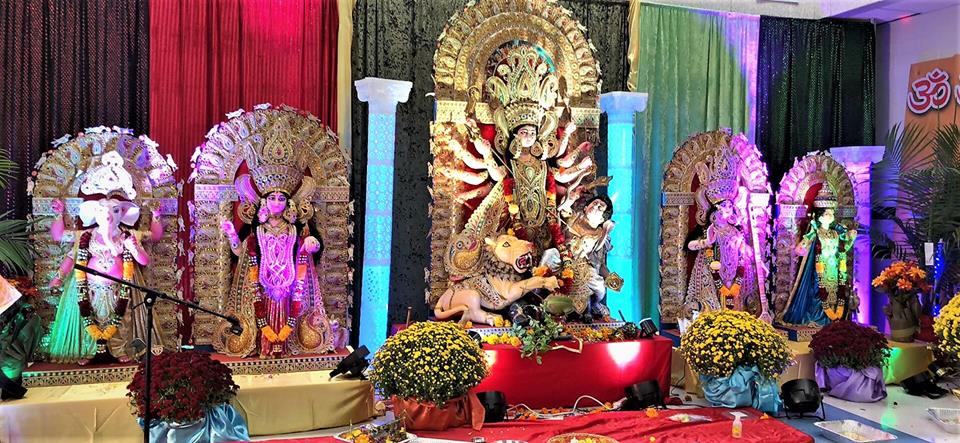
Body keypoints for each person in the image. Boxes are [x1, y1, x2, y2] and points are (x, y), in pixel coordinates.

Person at [46, 196, 163, 364]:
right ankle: (89, 351)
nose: (108, 216)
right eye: (102, 211)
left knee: (121, 319)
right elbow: (68, 251)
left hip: (119, 287)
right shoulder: (86, 236)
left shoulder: (128, 236)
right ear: (95, 213)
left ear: (122, 213)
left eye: (114, 211)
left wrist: (135, 246)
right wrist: (59, 277)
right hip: (90, 288)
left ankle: (120, 350)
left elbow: (147, 255)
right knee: (89, 317)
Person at [221, 189, 327, 358]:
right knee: (261, 314)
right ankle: (263, 347)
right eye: (272, 198)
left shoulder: (295, 228)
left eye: (281, 198)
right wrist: (232, 234)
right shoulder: (255, 229)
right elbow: (240, 253)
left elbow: (313, 248)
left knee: (290, 314)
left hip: (289, 286)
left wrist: (311, 242)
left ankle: (285, 346)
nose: (277, 202)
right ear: (264, 201)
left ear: (288, 203)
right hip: (262, 285)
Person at [781, 187, 857, 325]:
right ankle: (817, 319)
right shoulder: (815, 232)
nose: (831, 216)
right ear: (820, 216)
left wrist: (851, 238)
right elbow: (800, 249)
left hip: (833, 269)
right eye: (827, 213)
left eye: (832, 213)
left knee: (835, 292)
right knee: (819, 292)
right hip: (819, 269)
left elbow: (843, 249)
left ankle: (833, 319)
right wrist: (804, 243)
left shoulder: (835, 233)